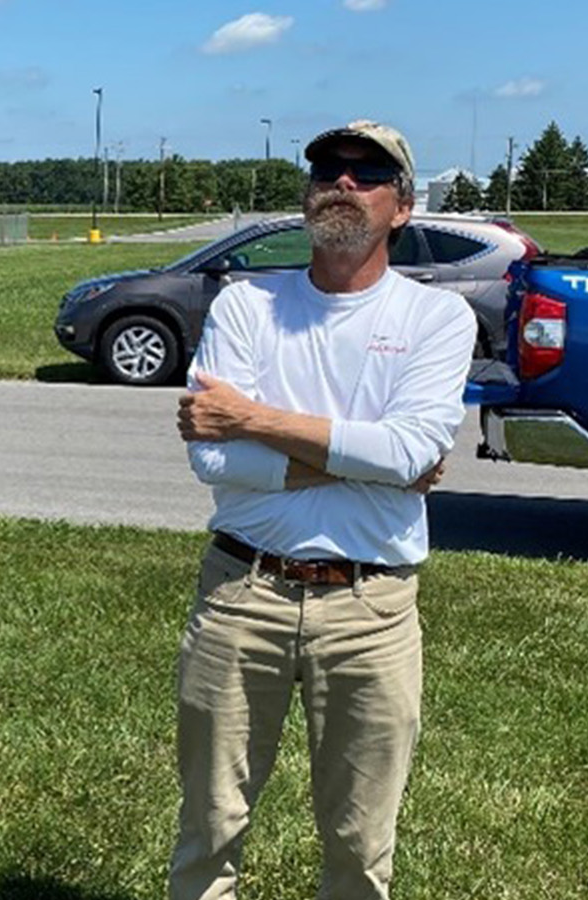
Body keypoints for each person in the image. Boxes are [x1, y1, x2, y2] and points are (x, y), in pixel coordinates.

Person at [169, 120, 473, 900]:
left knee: (361, 845)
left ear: (401, 207)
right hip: (242, 596)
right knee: (209, 828)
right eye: (327, 169)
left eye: (367, 172)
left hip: (371, 609)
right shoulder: (246, 307)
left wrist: (253, 420)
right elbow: (211, 460)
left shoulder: (436, 320)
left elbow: (409, 454)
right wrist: (369, 464)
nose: (342, 182)